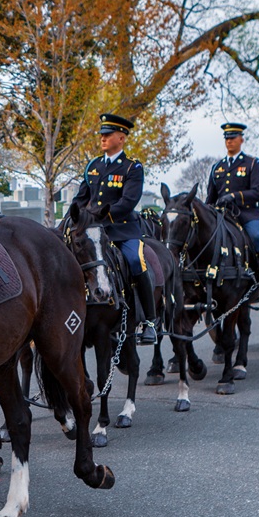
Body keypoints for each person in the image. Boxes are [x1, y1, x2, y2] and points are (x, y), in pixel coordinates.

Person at [69, 113, 158, 344]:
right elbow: (81, 197)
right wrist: (74, 216)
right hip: (94, 231)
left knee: (136, 260)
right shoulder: (93, 166)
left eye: (108, 135)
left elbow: (128, 202)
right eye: (102, 134)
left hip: (122, 229)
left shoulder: (132, 167)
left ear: (122, 138)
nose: (103, 138)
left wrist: (99, 217)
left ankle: (150, 321)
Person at [206, 122, 259, 301]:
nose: (229, 141)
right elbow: (210, 198)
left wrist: (235, 196)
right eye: (227, 138)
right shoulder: (217, 167)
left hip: (246, 214)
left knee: (256, 237)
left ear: (241, 140)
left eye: (233, 138)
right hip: (223, 215)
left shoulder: (252, 163)